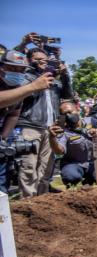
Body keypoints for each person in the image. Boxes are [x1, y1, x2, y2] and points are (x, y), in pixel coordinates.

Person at [15, 47, 73, 197]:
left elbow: (68, 94)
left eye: (45, 60)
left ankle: (41, 200)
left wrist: (65, 75)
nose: (42, 62)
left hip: (50, 128)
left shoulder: (54, 81)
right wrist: (37, 81)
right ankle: (27, 201)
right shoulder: (25, 77)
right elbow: (22, 96)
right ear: (29, 60)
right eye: (38, 59)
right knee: (28, 166)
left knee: (46, 167)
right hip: (29, 125)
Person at [0, 50, 54, 194]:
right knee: (28, 167)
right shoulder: (26, 87)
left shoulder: (15, 88)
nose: (17, 72)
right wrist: (32, 87)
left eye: (21, 70)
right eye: (12, 68)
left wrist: (3, 138)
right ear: (2, 67)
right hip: (29, 126)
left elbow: (13, 114)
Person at [48, 102, 97, 187]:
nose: (68, 115)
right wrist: (52, 137)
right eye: (64, 114)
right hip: (74, 163)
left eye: (70, 112)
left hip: (93, 163)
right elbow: (59, 151)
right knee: (71, 177)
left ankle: (88, 180)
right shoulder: (62, 131)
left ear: (78, 110)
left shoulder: (92, 121)